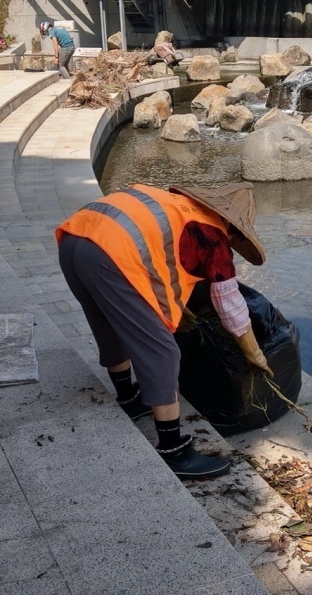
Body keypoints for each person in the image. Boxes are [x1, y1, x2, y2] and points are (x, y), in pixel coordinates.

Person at [55, 182, 272, 478]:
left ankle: (130, 399)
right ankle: (175, 451)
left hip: (74, 237)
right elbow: (231, 307)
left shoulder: (171, 204)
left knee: (106, 320)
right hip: (109, 255)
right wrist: (254, 353)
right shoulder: (213, 237)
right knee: (161, 350)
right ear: (233, 228)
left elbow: (159, 262)